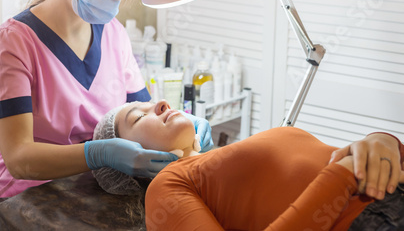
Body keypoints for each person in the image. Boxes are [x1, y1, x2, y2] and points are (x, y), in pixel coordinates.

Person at [0, 0, 214, 230]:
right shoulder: (13, 43)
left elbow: (142, 113)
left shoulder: (114, 33)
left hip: (97, 194)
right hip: (24, 203)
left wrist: (184, 124)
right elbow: (19, 159)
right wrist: (99, 154)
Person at [92, 100, 404, 230]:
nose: (159, 103)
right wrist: (342, 176)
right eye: (137, 117)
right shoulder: (166, 186)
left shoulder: (226, 155)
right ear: (131, 157)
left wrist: (384, 141)